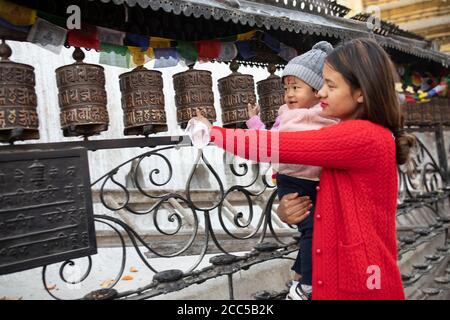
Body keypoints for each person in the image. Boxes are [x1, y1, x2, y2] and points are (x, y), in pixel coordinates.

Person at [193, 38, 415, 300]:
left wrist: (211, 132)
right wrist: (289, 208)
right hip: (352, 276)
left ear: (360, 92)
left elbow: (274, 145)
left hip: (362, 283)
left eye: (330, 86)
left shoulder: (363, 136)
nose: (320, 93)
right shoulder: (354, 133)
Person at [245, 41, 339, 300]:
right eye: (286, 88)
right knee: (313, 230)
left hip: (316, 182)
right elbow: (269, 141)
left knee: (317, 230)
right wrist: (254, 122)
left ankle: (300, 275)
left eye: (296, 88)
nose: (289, 94)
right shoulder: (287, 116)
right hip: (292, 181)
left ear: (318, 90)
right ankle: (307, 283)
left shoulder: (332, 114)